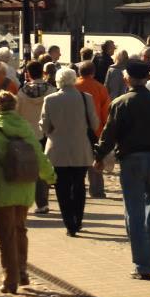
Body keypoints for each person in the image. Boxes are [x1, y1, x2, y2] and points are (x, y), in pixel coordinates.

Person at [93, 60, 150, 280]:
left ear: (127, 79)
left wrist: (99, 156)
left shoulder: (121, 102)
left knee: (134, 212)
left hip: (133, 160)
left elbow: (109, 134)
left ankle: (141, 264)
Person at [0, 90, 55, 294]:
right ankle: (22, 272)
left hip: (0, 189)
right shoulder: (26, 129)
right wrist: (50, 176)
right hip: (24, 188)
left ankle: (10, 279)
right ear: (14, 106)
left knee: (6, 236)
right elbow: (39, 157)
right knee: (20, 230)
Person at [40, 68, 100, 235]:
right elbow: (95, 124)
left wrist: (54, 131)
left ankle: (69, 223)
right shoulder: (86, 98)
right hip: (80, 148)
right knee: (79, 185)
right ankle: (78, 219)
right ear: (74, 79)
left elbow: (44, 126)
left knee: (62, 187)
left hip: (58, 149)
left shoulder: (50, 99)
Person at [16, 59, 54, 213]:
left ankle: (25, 199)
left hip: (27, 133)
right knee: (43, 167)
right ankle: (42, 202)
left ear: (28, 74)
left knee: (28, 167)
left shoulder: (21, 93)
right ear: (43, 73)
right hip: (46, 133)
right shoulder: (52, 91)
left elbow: (17, 115)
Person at [75, 60, 111, 199]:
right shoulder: (100, 88)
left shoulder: (73, 86)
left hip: (76, 130)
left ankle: (77, 187)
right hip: (95, 130)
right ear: (93, 72)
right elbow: (105, 112)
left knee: (78, 163)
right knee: (95, 161)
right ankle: (96, 190)